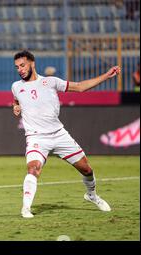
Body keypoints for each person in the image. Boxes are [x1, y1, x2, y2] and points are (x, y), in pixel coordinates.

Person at [11, 50, 120, 218]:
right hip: (36, 138)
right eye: (17, 67)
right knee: (33, 169)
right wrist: (16, 106)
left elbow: (80, 87)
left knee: (87, 169)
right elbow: (16, 100)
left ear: (32, 63)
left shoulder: (51, 82)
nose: (20, 69)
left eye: (23, 65)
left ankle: (91, 195)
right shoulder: (16, 86)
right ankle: (26, 208)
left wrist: (106, 76)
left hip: (59, 135)